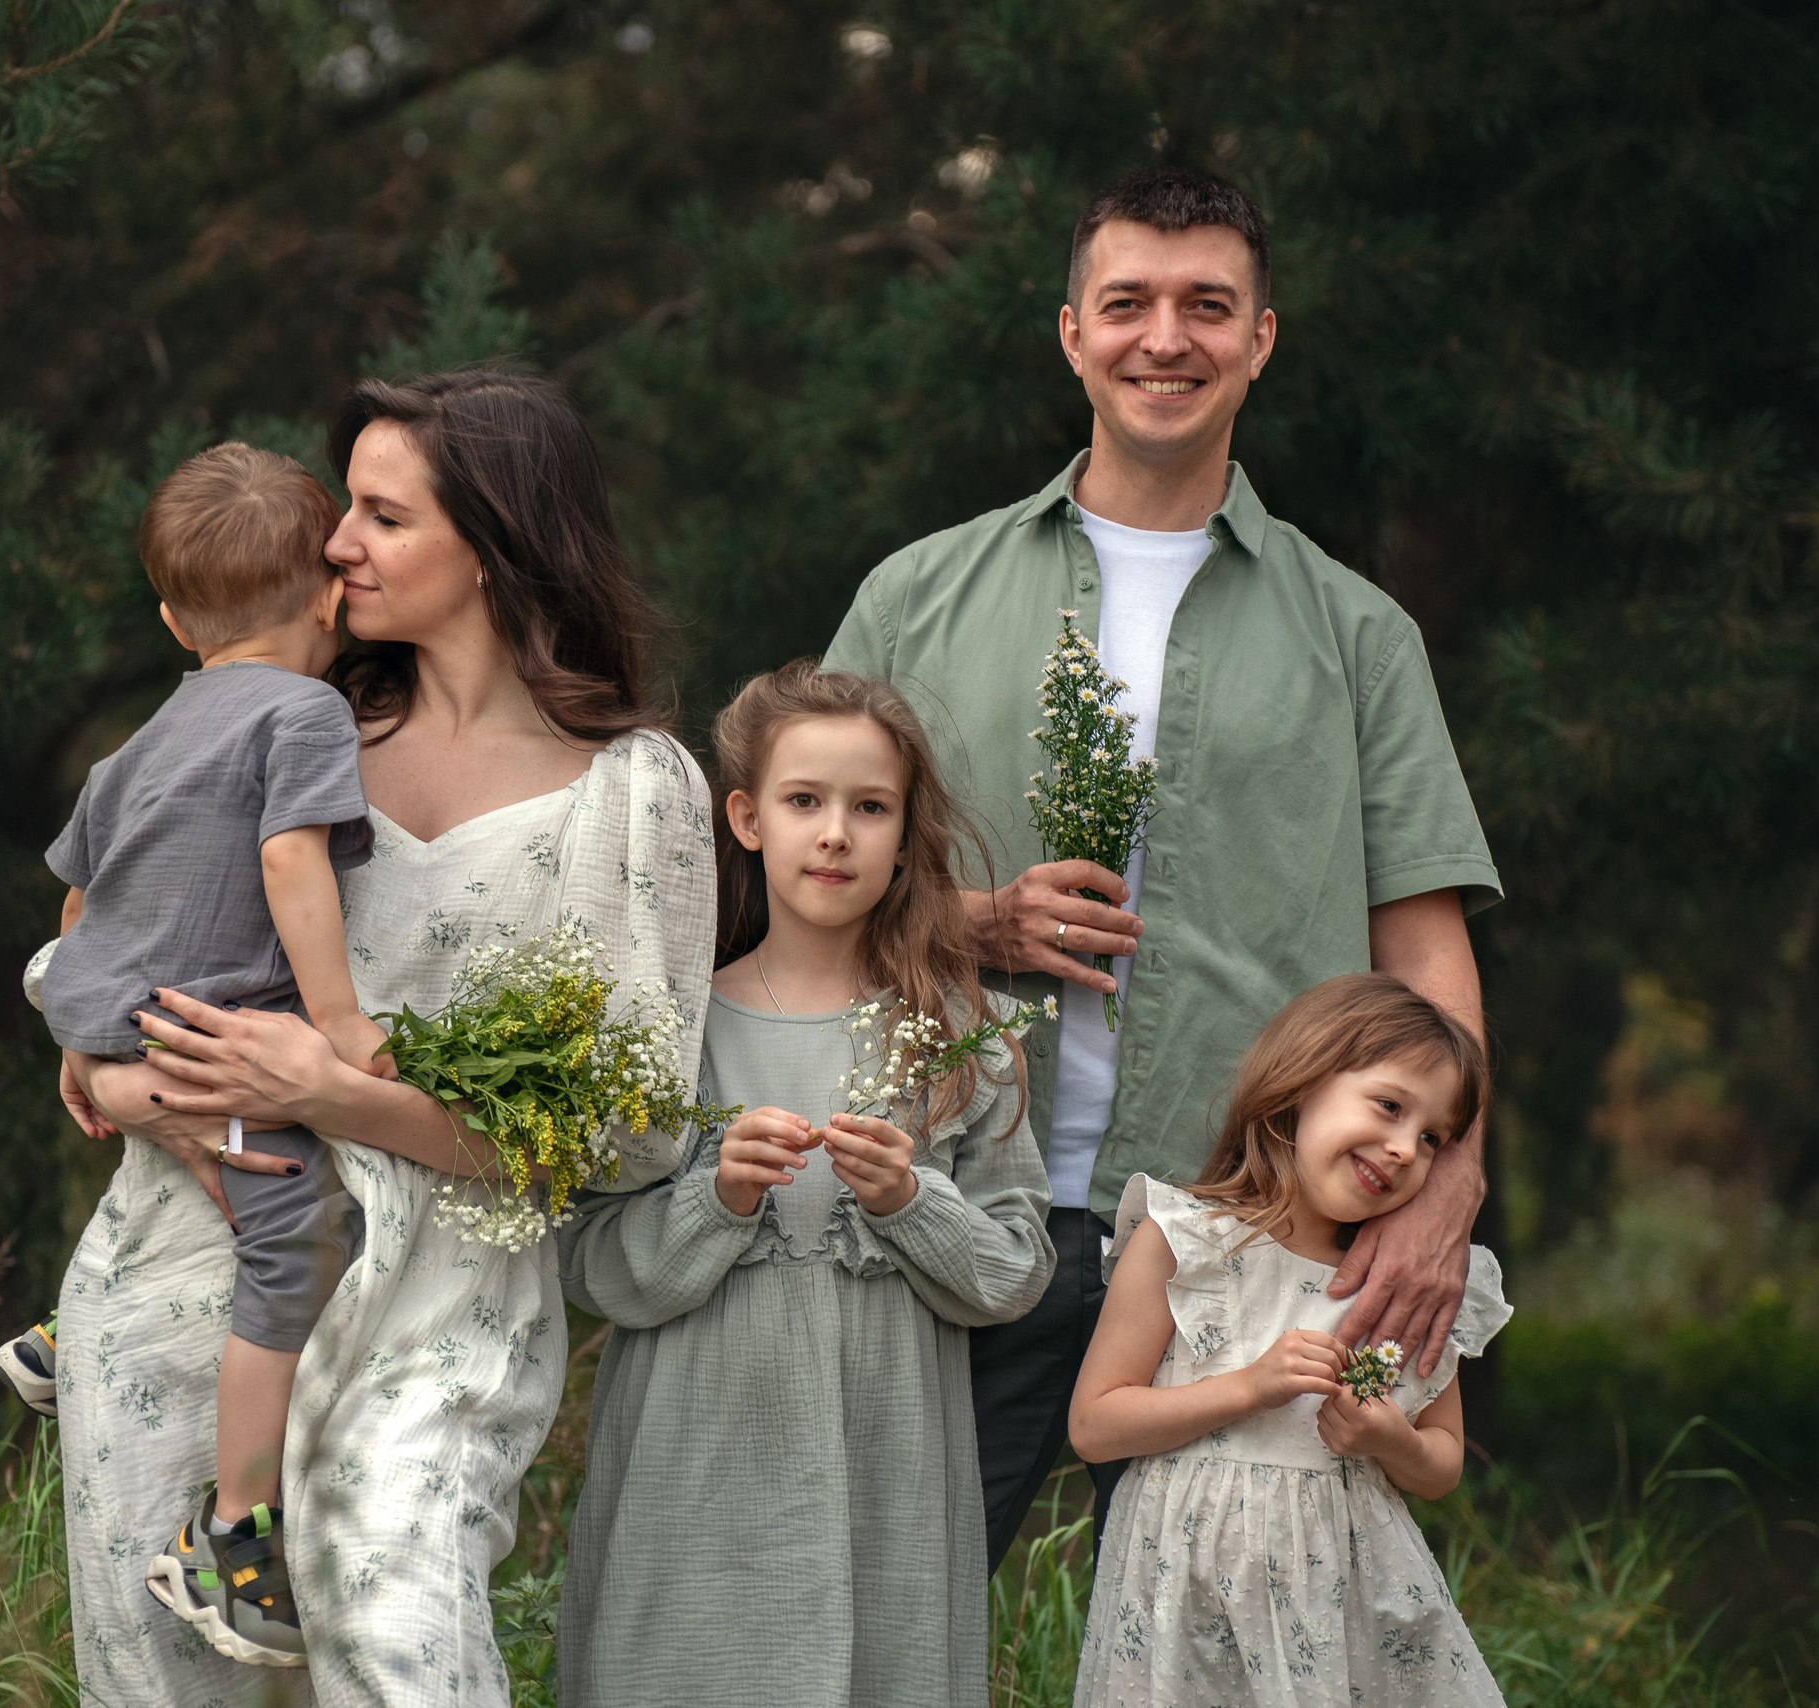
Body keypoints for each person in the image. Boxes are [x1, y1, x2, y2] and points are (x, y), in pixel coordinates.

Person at [820, 164, 1503, 1570]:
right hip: (956, 1206)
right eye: (1127, 303)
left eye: (1209, 306)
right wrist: (967, 920)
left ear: (1261, 339)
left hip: (1244, 1236)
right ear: (1072, 332)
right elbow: (786, 884)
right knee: (894, 1612)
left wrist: (1450, 1184)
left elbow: (1423, 951)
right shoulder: (915, 594)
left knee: (1227, 1639)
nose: (1166, 338)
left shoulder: (1359, 634)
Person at [57, 370, 718, 1707]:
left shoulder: (634, 794)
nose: (334, 545)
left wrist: (335, 1092)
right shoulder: (284, 727)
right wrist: (123, 1076)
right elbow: (91, 953)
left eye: (380, 515)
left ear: (496, 542)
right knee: (161, 1680)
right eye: (340, 509)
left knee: (408, 1665)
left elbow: (638, 1129)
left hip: (440, 1317)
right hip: (187, 1268)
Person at [555, 662, 1052, 1708]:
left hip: (888, 1477)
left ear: (905, 829)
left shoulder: (961, 1035)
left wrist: (910, 1201)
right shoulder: (670, 1025)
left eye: (869, 807)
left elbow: (1013, 1276)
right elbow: (590, 1261)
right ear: (744, 817)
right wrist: (714, 1198)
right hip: (693, 1471)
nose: (835, 833)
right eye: (804, 801)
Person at [0, 441, 401, 1666]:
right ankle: (230, 1535)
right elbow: (291, 861)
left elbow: (77, 899)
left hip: (114, 1009)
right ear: (332, 594)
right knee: (297, 1228)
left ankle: (60, 1337)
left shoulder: (145, 738)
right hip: (198, 1029)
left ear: (175, 619)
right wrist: (339, 1025)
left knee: (218, 1174)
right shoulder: (308, 709)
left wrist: (87, 1022)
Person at [1068, 973, 1511, 1705]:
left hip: (1346, 1608)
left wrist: (1389, 1438)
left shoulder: (1402, 1289)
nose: (1405, 1149)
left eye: (1432, 1138)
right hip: (1186, 1600)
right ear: (1301, 1083)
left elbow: (1441, 1465)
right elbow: (1094, 1424)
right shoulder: (1184, 1242)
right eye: (1390, 1107)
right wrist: (1246, 1387)